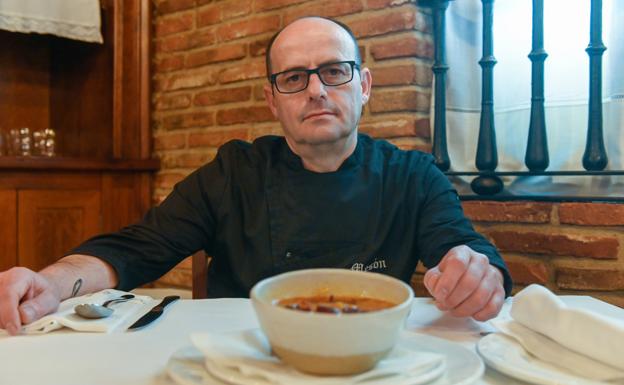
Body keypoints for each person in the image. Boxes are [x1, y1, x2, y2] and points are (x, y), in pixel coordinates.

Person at [0, 17, 512, 336]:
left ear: (364, 86)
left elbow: (463, 248)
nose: (316, 91)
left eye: (334, 71)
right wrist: (49, 281)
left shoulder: (412, 175)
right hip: (246, 362)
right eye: (293, 78)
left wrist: (478, 275)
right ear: (272, 101)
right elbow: (135, 248)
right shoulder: (233, 172)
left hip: (370, 362)